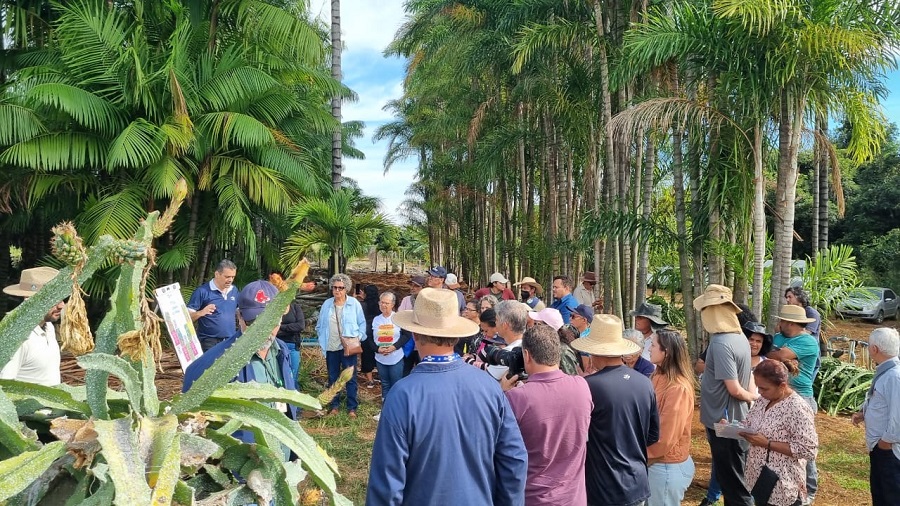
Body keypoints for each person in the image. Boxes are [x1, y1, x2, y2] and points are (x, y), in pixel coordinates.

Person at [366, 288, 527, 505]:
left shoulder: (403, 395)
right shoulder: (490, 388)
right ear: (456, 335)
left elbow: (386, 482)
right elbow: (514, 459)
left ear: (414, 334)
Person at [182, 280, 299, 459]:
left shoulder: (281, 351)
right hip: (244, 469)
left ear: (282, 315)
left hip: (282, 461)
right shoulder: (216, 363)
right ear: (240, 317)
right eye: (254, 322)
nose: (264, 331)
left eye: (271, 322)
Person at [571, 314, 660, 506]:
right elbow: (653, 435)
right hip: (636, 482)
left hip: (603, 487)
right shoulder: (645, 383)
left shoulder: (588, 386)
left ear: (594, 351)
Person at [500, 324, 593, 506]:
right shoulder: (582, 386)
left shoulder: (516, 398)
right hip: (574, 498)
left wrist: (502, 393)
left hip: (534, 498)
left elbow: (502, 451)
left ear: (526, 355)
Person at [695, 284, 757, 506]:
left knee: (735, 486)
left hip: (724, 422)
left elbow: (733, 388)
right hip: (734, 418)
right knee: (735, 480)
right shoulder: (739, 336)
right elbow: (747, 375)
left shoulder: (721, 343)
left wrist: (753, 398)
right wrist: (752, 397)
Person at [739, 360, 818, 506]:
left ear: (782, 386)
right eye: (758, 388)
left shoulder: (797, 408)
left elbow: (809, 450)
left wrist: (767, 444)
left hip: (782, 484)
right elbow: (751, 422)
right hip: (759, 478)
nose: (760, 392)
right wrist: (734, 426)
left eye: (764, 388)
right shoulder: (763, 400)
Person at [768, 304, 820, 504]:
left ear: (790, 323)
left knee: (803, 446)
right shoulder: (781, 338)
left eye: (781, 320)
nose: (778, 323)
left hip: (801, 398)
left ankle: (810, 489)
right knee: (781, 443)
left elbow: (779, 356)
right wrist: (776, 351)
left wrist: (776, 352)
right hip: (780, 397)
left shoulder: (807, 341)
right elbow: (772, 351)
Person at [647, 329, 696, 506]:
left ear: (666, 352)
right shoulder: (657, 376)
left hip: (665, 467)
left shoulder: (677, 388)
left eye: (653, 345)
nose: (649, 349)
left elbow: (665, 437)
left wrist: (641, 458)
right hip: (657, 465)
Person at [852, 327, 900, 506]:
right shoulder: (886, 372)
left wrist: (885, 442)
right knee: (880, 495)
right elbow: (883, 402)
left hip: (888, 450)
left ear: (874, 349)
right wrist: (865, 413)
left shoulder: (894, 376)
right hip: (880, 448)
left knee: (891, 497)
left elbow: (898, 416)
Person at [1, 267, 64, 386]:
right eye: (54, 300)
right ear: (30, 300)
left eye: (61, 298)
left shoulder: (48, 326)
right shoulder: (17, 339)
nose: (61, 305)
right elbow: (4, 386)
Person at [315, 273, 367, 418]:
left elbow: (362, 324)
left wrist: (359, 338)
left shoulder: (354, 304)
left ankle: (352, 408)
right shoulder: (327, 304)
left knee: (350, 378)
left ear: (347, 289)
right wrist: (321, 339)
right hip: (331, 347)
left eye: (341, 288)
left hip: (348, 348)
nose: (337, 290)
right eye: (335, 287)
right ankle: (334, 406)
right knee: (333, 378)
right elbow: (319, 325)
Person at [187, 259, 239, 352]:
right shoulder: (202, 291)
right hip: (209, 342)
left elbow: (239, 311)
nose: (230, 280)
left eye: (233, 277)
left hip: (230, 340)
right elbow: (186, 318)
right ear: (217, 274)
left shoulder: (234, 290)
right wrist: (201, 313)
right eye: (227, 277)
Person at [372, 292, 410, 403]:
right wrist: (377, 349)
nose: (383, 305)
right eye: (381, 302)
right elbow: (369, 338)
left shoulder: (398, 318)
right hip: (380, 357)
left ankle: (397, 408)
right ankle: (385, 408)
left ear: (392, 304)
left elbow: (407, 336)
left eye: (386, 303)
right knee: (384, 383)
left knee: (396, 383)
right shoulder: (375, 320)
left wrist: (394, 347)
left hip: (395, 358)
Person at [484, 300, 527, 381]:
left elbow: (486, 381)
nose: (495, 323)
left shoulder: (508, 355)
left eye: (496, 320)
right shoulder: (529, 345)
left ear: (505, 325)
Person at [275, 285, 306, 389]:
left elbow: (301, 326)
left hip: (292, 346)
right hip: (277, 346)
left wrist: (281, 327)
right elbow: (272, 329)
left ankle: (294, 403)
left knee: (293, 376)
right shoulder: (274, 309)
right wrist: (290, 328)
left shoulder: (295, 307)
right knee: (279, 377)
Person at [399, 275, 425, 376]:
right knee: (405, 369)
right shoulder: (406, 300)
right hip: (408, 339)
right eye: (412, 285)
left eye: (416, 286)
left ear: (423, 288)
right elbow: (400, 315)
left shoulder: (427, 302)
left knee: (422, 370)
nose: (413, 288)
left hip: (422, 341)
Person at [358, 284, 381, 389]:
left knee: (366, 355)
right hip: (378, 332)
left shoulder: (361, 305)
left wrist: (356, 298)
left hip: (366, 332)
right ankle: (380, 376)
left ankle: (370, 380)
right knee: (378, 353)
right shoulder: (380, 304)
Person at [743, 321, 773, 397]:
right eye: (751, 339)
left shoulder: (768, 364)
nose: (754, 344)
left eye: (758, 341)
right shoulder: (733, 359)